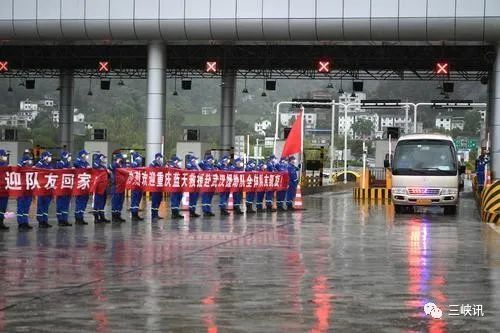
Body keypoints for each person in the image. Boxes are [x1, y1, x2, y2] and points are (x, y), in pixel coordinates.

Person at [34, 151, 54, 228]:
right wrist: (41, 161)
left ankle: (45, 221)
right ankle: (40, 221)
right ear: (45, 157)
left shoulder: (50, 165)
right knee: (41, 205)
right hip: (42, 189)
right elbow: (35, 168)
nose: (50, 158)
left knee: (46, 206)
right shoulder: (40, 164)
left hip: (48, 188)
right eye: (48, 156)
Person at [55, 151, 72, 226]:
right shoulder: (59, 164)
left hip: (67, 187)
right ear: (65, 156)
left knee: (66, 204)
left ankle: (65, 219)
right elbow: (62, 171)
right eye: (68, 156)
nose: (69, 157)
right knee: (60, 204)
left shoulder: (68, 164)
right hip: (60, 187)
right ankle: (60, 220)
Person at [17, 154, 34, 230]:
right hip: (21, 191)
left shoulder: (31, 168)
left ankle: (25, 222)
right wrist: (22, 162)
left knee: (26, 208)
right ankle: (21, 224)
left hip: (29, 191)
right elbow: (17, 168)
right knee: (21, 207)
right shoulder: (21, 168)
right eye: (28, 160)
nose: (30, 161)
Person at [73, 150, 91, 225]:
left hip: (85, 185)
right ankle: (78, 218)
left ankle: (81, 217)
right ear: (83, 155)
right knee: (79, 202)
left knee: (84, 202)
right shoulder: (78, 162)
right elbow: (76, 166)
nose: (87, 156)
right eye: (86, 155)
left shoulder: (86, 163)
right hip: (80, 185)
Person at [92, 153, 110, 224]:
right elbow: (95, 167)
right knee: (97, 202)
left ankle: (102, 217)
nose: (104, 159)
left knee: (103, 202)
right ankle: (96, 218)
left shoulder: (103, 166)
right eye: (103, 158)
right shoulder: (96, 164)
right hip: (98, 187)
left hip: (104, 187)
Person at [110, 152, 126, 223]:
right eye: (120, 158)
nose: (122, 159)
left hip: (122, 186)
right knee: (115, 201)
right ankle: (114, 216)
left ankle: (118, 215)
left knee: (120, 201)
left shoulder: (122, 165)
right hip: (116, 186)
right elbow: (109, 168)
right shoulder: (114, 165)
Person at [130, 152, 144, 221]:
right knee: (135, 200)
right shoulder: (135, 164)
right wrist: (136, 162)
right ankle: (134, 214)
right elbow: (132, 166)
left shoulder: (140, 165)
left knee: (138, 199)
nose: (140, 159)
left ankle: (136, 214)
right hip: (135, 185)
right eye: (139, 157)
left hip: (139, 185)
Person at [185, 153, 201, 218]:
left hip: (196, 184)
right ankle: (191, 211)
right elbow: (188, 170)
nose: (196, 161)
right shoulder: (189, 165)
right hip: (192, 184)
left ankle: (193, 211)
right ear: (192, 160)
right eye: (195, 159)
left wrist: (196, 165)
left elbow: (200, 172)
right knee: (192, 198)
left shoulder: (195, 166)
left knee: (195, 198)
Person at [150, 153, 164, 220]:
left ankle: (156, 213)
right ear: (157, 157)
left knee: (159, 199)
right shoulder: (153, 163)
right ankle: (153, 215)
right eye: (159, 157)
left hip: (160, 184)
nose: (160, 159)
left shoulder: (161, 163)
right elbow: (150, 169)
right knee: (155, 200)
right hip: (155, 184)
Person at [0, 149, 9, 230]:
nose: (6, 157)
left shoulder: (6, 165)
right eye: (5, 155)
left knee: (3, 207)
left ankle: (1, 222)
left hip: (5, 190)